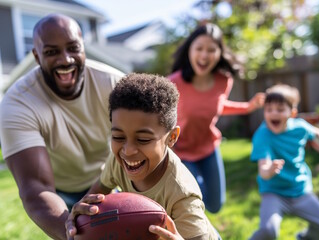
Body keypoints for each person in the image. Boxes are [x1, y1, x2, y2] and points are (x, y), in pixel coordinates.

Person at [0, 14, 125, 240]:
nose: (65, 59)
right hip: (57, 191)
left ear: (83, 48)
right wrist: (71, 232)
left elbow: (143, 147)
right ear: (37, 56)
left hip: (105, 181)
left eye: (73, 48)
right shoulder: (17, 103)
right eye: (51, 52)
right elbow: (36, 188)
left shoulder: (114, 85)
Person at [65, 73, 219, 240]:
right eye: (118, 137)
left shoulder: (182, 193)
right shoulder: (118, 162)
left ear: (172, 137)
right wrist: (78, 217)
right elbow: (94, 197)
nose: (128, 150)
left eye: (143, 139)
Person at [168, 23, 265, 213]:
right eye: (199, 48)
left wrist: (247, 107)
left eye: (211, 50)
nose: (204, 55)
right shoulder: (173, 82)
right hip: (181, 151)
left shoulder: (223, 80)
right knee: (194, 199)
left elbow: (214, 106)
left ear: (220, 53)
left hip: (208, 148)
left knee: (215, 205)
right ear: (190, 50)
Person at [249, 84, 319, 240]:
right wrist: (269, 171)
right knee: (268, 231)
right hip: (274, 192)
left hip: (300, 189)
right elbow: (263, 170)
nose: (273, 114)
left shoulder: (299, 127)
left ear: (292, 113)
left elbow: (318, 133)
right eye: (269, 109)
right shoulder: (262, 135)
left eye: (279, 109)